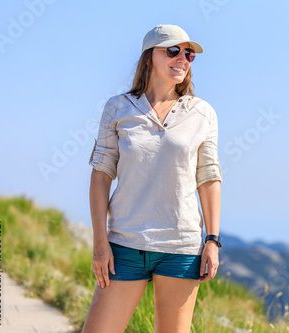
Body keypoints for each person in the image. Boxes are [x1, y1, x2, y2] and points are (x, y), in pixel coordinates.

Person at [82, 24, 223, 333]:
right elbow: (101, 175)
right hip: (124, 244)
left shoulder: (202, 113)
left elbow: (209, 177)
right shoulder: (118, 108)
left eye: (188, 54)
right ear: (149, 58)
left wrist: (212, 240)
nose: (182, 59)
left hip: (181, 247)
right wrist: (100, 243)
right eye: (172, 50)